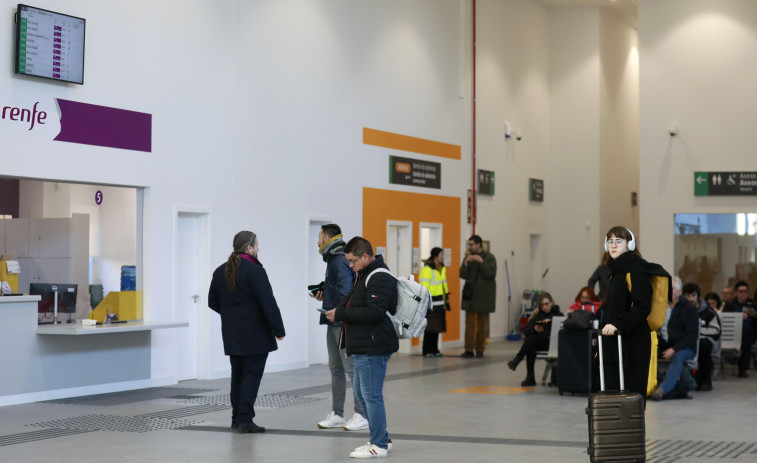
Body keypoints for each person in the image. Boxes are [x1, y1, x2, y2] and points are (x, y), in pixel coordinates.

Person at [325, 236, 398, 459]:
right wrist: (335, 310)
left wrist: (341, 314)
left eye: (353, 260)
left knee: (372, 396)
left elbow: (374, 312)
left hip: (373, 346)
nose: (350, 265)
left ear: (366, 256)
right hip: (363, 346)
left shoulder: (380, 277)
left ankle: (378, 445)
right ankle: (382, 437)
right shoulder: (363, 274)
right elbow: (350, 302)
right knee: (360, 392)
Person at [208, 231, 285, 433]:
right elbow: (268, 302)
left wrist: (231, 315)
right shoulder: (255, 270)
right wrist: (278, 328)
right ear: (249, 247)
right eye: (257, 245)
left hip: (232, 333)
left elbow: (212, 302)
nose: (258, 249)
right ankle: (245, 420)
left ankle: (236, 418)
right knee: (251, 376)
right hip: (255, 334)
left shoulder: (220, 271)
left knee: (238, 375)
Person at [600, 226, 671, 403]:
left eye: (619, 241)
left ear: (629, 244)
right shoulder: (616, 272)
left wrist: (617, 325)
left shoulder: (636, 271)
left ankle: (628, 430)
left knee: (631, 396)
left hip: (633, 342)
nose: (613, 245)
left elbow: (642, 307)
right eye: (610, 241)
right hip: (617, 339)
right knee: (615, 395)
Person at [309, 224, 367, 431]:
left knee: (350, 369)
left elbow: (346, 292)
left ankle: (361, 415)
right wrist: (324, 293)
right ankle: (338, 414)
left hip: (341, 323)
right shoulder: (333, 259)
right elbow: (339, 288)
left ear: (327, 237)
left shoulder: (339, 259)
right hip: (332, 321)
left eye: (319, 237)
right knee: (336, 369)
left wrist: (339, 312)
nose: (317, 242)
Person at [650, 282, 699, 401]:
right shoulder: (662, 306)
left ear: (679, 292)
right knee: (648, 353)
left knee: (677, 356)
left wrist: (674, 349)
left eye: (671, 288)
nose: (667, 290)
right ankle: (658, 383)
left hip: (685, 347)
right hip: (665, 345)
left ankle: (662, 389)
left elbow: (693, 335)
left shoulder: (689, 308)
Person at [507, 292, 563, 386]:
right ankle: (529, 376)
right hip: (540, 342)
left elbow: (562, 327)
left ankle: (518, 360)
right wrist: (534, 329)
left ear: (551, 303)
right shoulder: (537, 315)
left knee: (531, 341)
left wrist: (551, 322)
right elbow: (526, 331)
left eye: (546, 304)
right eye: (542, 305)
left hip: (553, 344)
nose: (544, 307)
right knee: (531, 341)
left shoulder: (558, 315)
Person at [459, 235, 497, 358]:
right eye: (469, 244)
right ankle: (468, 349)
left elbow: (490, 274)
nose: (469, 247)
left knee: (482, 326)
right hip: (470, 297)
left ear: (479, 244)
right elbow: (463, 275)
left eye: (471, 244)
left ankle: (480, 349)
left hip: (484, 297)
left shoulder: (490, 258)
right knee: (469, 326)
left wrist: (481, 262)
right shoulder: (467, 257)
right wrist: (465, 263)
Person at [685, 283, 721, 392]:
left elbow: (716, 331)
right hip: (687, 340)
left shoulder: (709, 312)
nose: (691, 299)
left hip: (705, 341)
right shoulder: (681, 311)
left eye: (693, 295)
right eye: (688, 296)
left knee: (703, 343)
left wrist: (699, 331)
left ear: (698, 296)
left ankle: (706, 380)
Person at [418, 247, 450, 357]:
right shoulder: (427, 269)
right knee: (430, 328)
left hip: (440, 302)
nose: (443, 256)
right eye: (441, 254)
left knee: (437, 327)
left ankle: (435, 349)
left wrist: (447, 299)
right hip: (431, 303)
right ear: (436, 256)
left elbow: (443, 284)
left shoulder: (441, 268)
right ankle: (427, 350)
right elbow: (424, 287)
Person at [723, 280, 757, 378]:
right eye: (741, 291)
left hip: (749, 332)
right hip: (733, 331)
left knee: (746, 336)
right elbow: (725, 318)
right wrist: (737, 316)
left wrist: (754, 315)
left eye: (745, 291)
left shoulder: (753, 304)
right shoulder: (730, 304)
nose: (743, 294)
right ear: (736, 293)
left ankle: (742, 368)